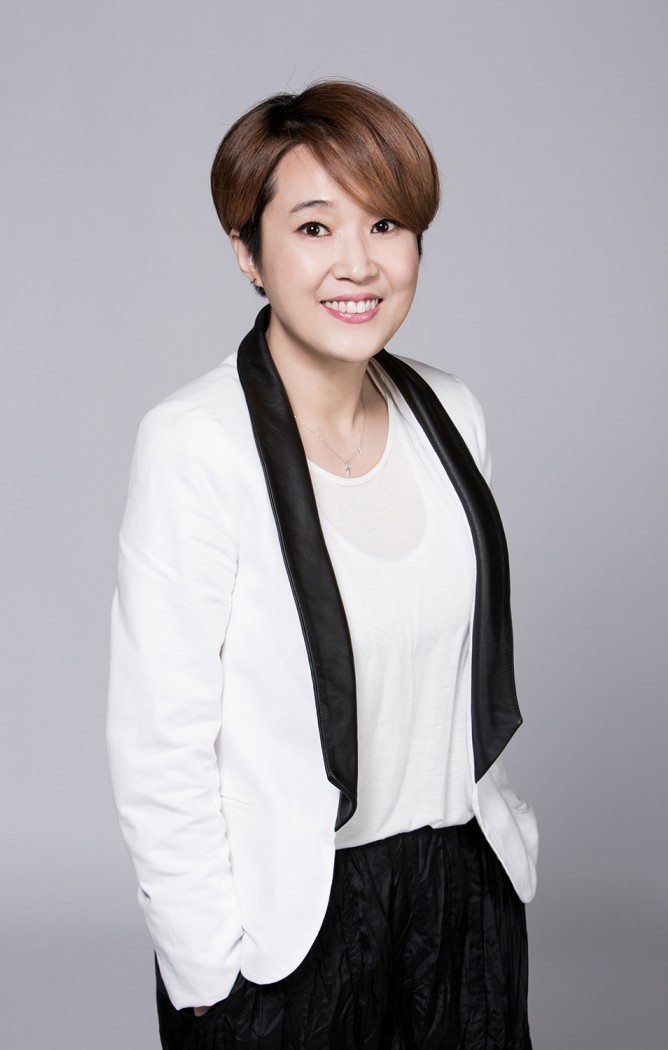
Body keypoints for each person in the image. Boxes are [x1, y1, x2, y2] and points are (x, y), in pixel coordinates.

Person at [107, 80, 539, 1049]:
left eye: (386, 224)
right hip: (294, 919)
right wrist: (204, 967)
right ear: (247, 252)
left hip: (463, 896)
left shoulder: (451, 413)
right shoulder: (196, 443)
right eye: (313, 227)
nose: (359, 263)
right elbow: (159, 739)